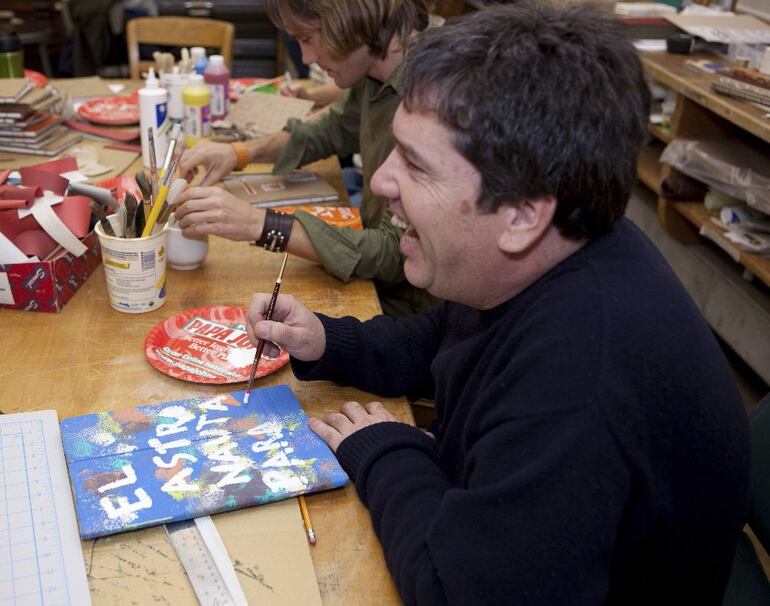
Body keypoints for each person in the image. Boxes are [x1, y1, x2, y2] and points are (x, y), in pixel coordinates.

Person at [244, 3, 751, 604]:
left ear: (521, 215)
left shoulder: (577, 388)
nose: (380, 182)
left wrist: (387, 453)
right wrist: (329, 341)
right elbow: (446, 337)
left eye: (417, 165)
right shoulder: (552, 250)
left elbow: (452, 592)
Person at [174, 0, 439, 318]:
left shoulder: (434, 89)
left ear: (351, 21)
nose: (306, 58)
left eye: (308, 38)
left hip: (411, 312)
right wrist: (239, 152)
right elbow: (333, 127)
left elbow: (393, 253)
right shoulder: (376, 67)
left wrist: (259, 224)